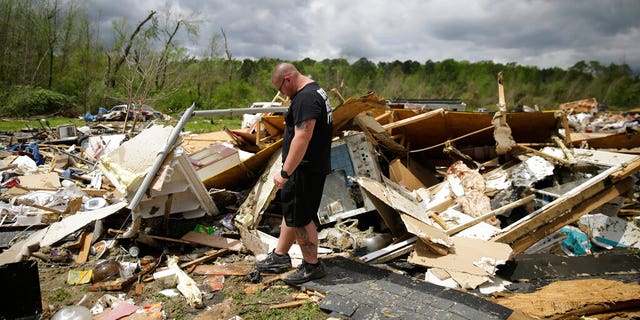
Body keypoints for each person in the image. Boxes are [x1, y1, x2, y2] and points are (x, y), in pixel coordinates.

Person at [256, 62, 333, 284]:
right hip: (310, 165)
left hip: (303, 168)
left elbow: (302, 137)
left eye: (280, 88)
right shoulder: (316, 91)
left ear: (288, 80)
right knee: (293, 212)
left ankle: (311, 266)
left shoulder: (305, 98)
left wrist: (286, 172)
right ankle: (280, 256)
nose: (281, 94)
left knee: (301, 218)